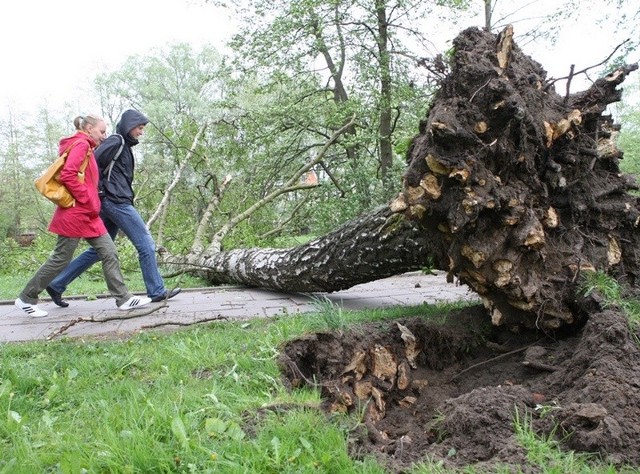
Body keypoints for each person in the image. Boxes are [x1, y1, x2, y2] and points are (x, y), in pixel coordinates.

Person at [15, 115, 152, 317]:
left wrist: (90, 202)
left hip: (89, 215)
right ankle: (26, 298)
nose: (104, 136)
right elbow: (68, 175)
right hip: (75, 214)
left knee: (109, 252)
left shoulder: (88, 147)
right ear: (89, 128)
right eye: (101, 132)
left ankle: (123, 299)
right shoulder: (80, 145)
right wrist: (87, 199)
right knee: (61, 259)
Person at [45, 109, 181, 308]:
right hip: (116, 202)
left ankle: (57, 284)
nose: (141, 132)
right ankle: (157, 291)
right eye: (139, 128)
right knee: (146, 244)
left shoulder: (123, 145)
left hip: (110, 203)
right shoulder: (116, 141)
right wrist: (98, 192)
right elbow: (92, 163)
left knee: (98, 251)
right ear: (129, 125)